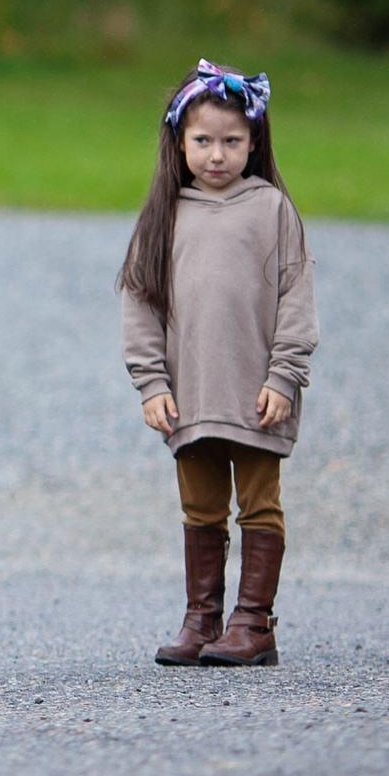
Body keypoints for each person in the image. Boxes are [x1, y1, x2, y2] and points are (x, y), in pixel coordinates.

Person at [119, 60, 318, 666]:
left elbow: (296, 300)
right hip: (190, 394)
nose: (216, 155)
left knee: (258, 502)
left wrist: (284, 376)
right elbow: (139, 302)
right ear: (178, 142)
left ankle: (254, 623)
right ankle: (201, 619)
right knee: (200, 507)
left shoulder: (272, 211)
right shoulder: (164, 216)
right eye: (202, 141)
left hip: (257, 395)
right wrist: (150, 383)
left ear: (253, 143)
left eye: (232, 141)